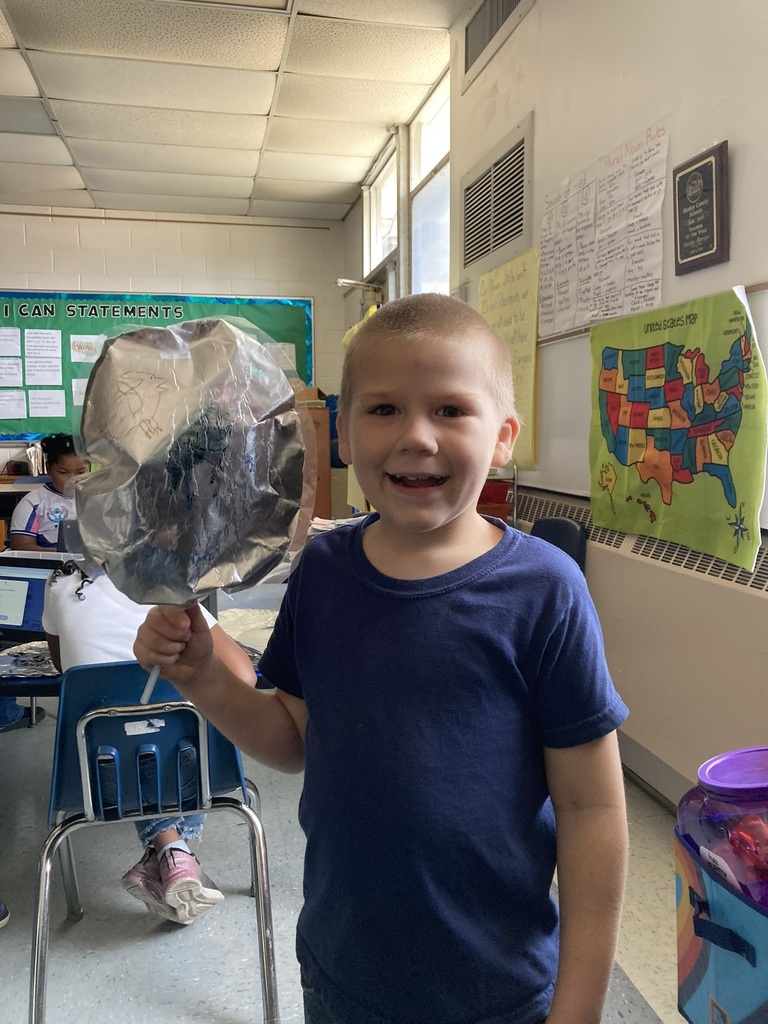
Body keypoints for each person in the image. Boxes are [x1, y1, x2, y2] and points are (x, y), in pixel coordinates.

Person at [134, 293, 630, 1024]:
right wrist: (205, 674)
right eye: (384, 409)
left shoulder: (544, 591)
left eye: (452, 410)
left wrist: (580, 1006)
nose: (417, 436)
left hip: (497, 990)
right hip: (342, 978)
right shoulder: (325, 571)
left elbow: (591, 809)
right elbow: (295, 740)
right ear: (342, 434)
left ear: (502, 438)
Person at [43, 556, 258, 925]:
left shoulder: (58, 585)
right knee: (182, 727)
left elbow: (65, 669)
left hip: (95, 780)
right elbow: (244, 675)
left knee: (129, 741)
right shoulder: (168, 590)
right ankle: (176, 854)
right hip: (191, 772)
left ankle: (161, 860)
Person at [10, 433, 89, 551]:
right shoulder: (33, 503)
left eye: (81, 472)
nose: (73, 480)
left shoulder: (97, 499)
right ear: (48, 468)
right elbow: (21, 547)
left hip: (93, 566)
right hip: (50, 566)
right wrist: (64, 554)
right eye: (63, 472)